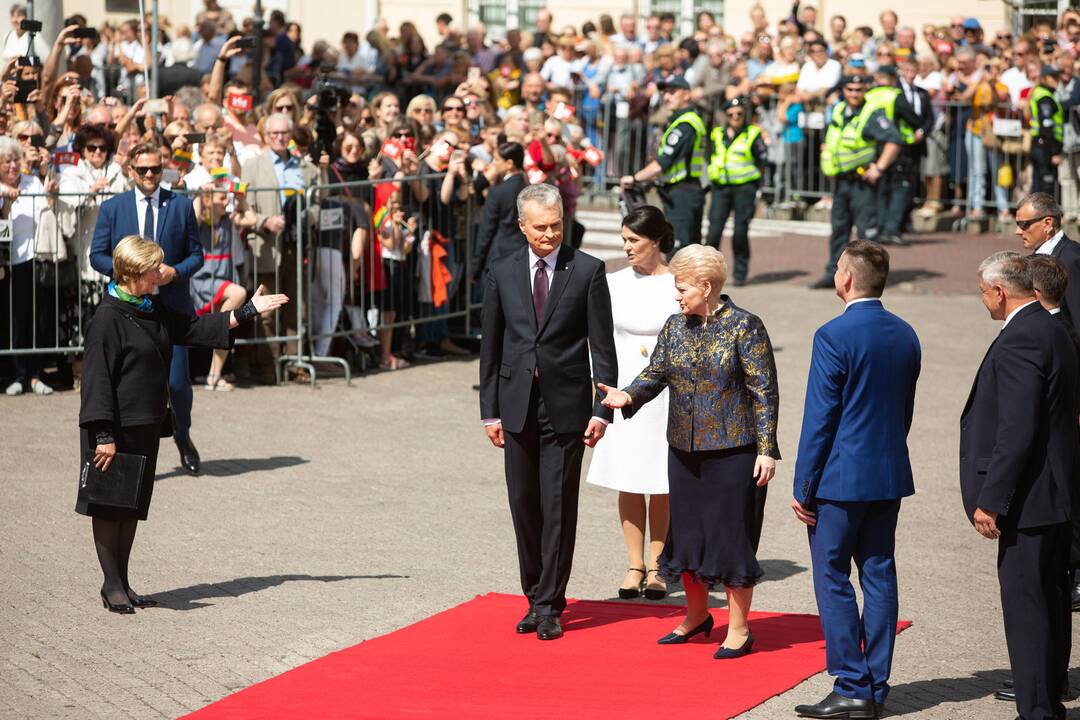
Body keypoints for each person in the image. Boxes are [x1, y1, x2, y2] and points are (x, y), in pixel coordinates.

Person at [79, 235, 287, 614]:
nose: (162, 273)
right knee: (109, 507)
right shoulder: (106, 319)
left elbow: (194, 329)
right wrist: (103, 435)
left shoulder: (150, 308)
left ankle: (124, 582)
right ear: (133, 272)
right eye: (154, 268)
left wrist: (248, 311)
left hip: (146, 422)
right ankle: (111, 586)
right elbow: (96, 382)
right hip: (114, 429)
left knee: (132, 506)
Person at [600, 244, 779, 660]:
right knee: (688, 535)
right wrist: (627, 395)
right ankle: (696, 616)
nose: (676, 295)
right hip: (683, 448)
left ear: (705, 285)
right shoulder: (675, 326)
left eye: (681, 288)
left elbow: (764, 393)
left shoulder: (745, 327)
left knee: (730, 538)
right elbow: (656, 372)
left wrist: (767, 449)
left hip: (733, 451)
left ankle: (739, 629)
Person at [478, 183, 617, 641]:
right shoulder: (502, 271)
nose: (550, 234)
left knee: (558, 505)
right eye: (540, 227)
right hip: (516, 405)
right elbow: (492, 347)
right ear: (522, 226)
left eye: (556, 225)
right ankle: (532, 593)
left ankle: (550, 604)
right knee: (524, 505)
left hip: (567, 407)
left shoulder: (588, 271)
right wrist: (489, 413)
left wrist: (601, 410)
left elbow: (603, 348)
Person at [791, 240, 921, 719]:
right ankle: (875, 684)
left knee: (831, 574)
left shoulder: (833, 335)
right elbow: (903, 411)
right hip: (887, 474)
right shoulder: (906, 333)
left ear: (845, 278)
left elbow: (819, 419)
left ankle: (851, 684)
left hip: (840, 480)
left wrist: (804, 486)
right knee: (879, 573)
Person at [960, 251, 1078, 720]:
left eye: (983, 290)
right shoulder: (1054, 328)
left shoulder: (1021, 339)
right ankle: (1048, 696)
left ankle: (1037, 709)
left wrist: (992, 499)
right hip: (1056, 495)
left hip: (1030, 501)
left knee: (1028, 609)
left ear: (1000, 292)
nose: (981, 298)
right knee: (1050, 600)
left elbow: (1018, 429)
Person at [90, 142, 205, 475]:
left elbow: (196, 255)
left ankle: (183, 436)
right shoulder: (114, 208)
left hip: (171, 306)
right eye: (143, 170)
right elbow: (96, 254)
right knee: (133, 387)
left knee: (179, 384)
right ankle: (136, 453)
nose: (151, 175)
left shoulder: (181, 206)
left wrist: (175, 272)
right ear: (131, 171)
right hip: (129, 310)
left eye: (156, 169)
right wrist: (128, 271)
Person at [585, 207, 678, 601]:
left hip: (665, 392)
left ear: (655, 241)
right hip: (621, 388)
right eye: (623, 240)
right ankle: (633, 564)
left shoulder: (678, 283)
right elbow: (597, 337)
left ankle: (658, 566)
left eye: (634, 241)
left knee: (660, 480)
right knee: (628, 478)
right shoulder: (612, 282)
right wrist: (598, 388)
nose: (626, 247)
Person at [240, 113, 319, 382]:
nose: (279, 138)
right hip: (266, 245)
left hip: (296, 245)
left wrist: (311, 214)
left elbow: (317, 200)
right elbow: (244, 206)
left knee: (297, 306)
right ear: (265, 135)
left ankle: (295, 364)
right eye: (274, 134)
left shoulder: (305, 168)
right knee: (267, 309)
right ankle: (269, 368)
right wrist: (265, 222)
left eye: (284, 133)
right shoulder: (253, 165)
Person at [811, 75, 902, 289]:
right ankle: (834, 274)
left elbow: (894, 140)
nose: (854, 93)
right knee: (839, 228)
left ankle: (871, 280)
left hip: (863, 181)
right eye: (850, 89)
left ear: (865, 91)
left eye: (858, 89)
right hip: (842, 181)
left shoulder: (871, 113)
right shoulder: (838, 110)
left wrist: (879, 168)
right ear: (844, 90)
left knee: (866, 234)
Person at [620, 75, 706, 254]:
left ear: (687, 95)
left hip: (683, 192)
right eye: (665, 92)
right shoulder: (679, 120)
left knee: (680, 251)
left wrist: (634, 178)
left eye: (672, 92)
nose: (667, 97)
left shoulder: (685, 124)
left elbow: (661, 164)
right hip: (680, 191)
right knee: (686, 249)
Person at [189, 179, 255, 390]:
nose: (226, 201)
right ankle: (214, 370)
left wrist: (242, 200)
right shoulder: (201, 221)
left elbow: (251, 218)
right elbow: (192, 216)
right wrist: (201, 195)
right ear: (210, 201)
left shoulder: (228, 219)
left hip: (222, 279)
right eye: (222, 198)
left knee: (228, 323)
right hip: (203, 281)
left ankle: (214, 375)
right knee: (238, 296)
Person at [705, 96, 766, 286]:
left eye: (739, 113)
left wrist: (759, 188)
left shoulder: (753, 134)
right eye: (731, 113)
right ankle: (708, 272)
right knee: (714, 231)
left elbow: (762, 161)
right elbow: (710, 156)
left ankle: (740, 273)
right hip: (721, 187)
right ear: (726, 115)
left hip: (744, 188)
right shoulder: (716, 134)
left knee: (740, 231)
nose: (735, 116)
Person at [1015, 193, 1080, 339]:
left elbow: (1076, 318)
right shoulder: (1035, 258)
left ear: (1047, 223)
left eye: (1024, 224)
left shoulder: (1071, 259)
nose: (1018, 231)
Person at [471, 142, 528, 281]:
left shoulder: (498, 192)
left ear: (509, 163)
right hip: (523, 254)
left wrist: (475, 267)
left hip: (499, 256)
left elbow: (486, 231)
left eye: (496, 159)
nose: (493, 163)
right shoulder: (528, 186)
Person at [1031, 65, 1064, 198]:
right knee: (1046, 185)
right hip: (1045, 146)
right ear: (1044, 79)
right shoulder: (1045, 97)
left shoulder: (1044, 93)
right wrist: (1054, 152)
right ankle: (1043, 217)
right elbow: (1047, 126)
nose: (1057, 79)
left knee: (1039, 184)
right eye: (1053, 76)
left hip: (1040, 144)